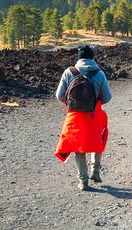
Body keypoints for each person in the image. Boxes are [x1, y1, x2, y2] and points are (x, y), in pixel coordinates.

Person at [54, 45, 112, 190]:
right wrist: (94, 104)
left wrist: (72, 105)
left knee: (78, 147)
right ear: (93, 58)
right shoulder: (100, 74)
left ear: (78, 59)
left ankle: (83, 181)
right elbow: (107, 97)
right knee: (98, 140)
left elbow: (59, 95)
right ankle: (95, 170)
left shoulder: (69, 72)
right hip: (94, 114)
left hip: (74, 116)